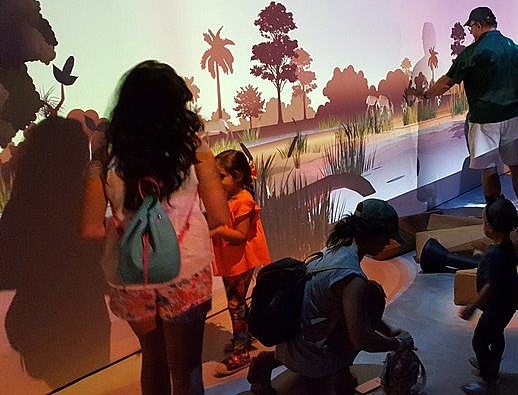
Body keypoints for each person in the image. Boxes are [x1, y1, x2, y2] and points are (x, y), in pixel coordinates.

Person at [80, 60, 231, 395]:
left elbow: (90, 229)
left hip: (131, 275)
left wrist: (129, 225)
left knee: (154, 358)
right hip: (187, 272)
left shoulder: (107, 155)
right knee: (187, 367)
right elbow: (221, 218)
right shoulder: (193, 150)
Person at [247, 199, 414, 395]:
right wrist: (398, 344)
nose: (388, 243)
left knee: (361, 302)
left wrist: (389, 330)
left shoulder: (335, 249)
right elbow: (362, 338)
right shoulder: (352, 279)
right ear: (371, 234)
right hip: (308, 360)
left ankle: (267, 361)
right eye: (386, 236)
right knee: (374, 297)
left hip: (290, 344)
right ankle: (338, 370)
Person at [411, 7, 518, 226]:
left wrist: (425, 94)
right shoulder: (516, 48)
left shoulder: (472, 53)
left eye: (472, 29)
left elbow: (446, 83)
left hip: (484, 121)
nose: (471, 33)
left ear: (478, 25)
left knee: (488, 170)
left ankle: (495, 214)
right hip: (514, 117)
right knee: (517, 166)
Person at [210, 149, 271, 376]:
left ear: (236, 176)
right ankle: (244, 337)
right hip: (233, 260)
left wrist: (217, 230)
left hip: (240, 260)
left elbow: (240, 236)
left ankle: (241, 350)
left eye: (221, 176)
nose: (217, 181)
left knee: (235, 304)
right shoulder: (231, 198)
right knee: (238, 302)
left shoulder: (243, 201)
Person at [458, 197, 518, 395]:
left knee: (479, 341)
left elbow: (490, 286)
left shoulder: (494, 255)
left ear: (491, 228)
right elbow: (497, 263)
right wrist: (483, 252)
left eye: (483, 221)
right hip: (508, 303)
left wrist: (472, 307)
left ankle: (488, 382)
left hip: (496, 307)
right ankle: (492, 363)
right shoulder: (505, 246)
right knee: (496, 334)